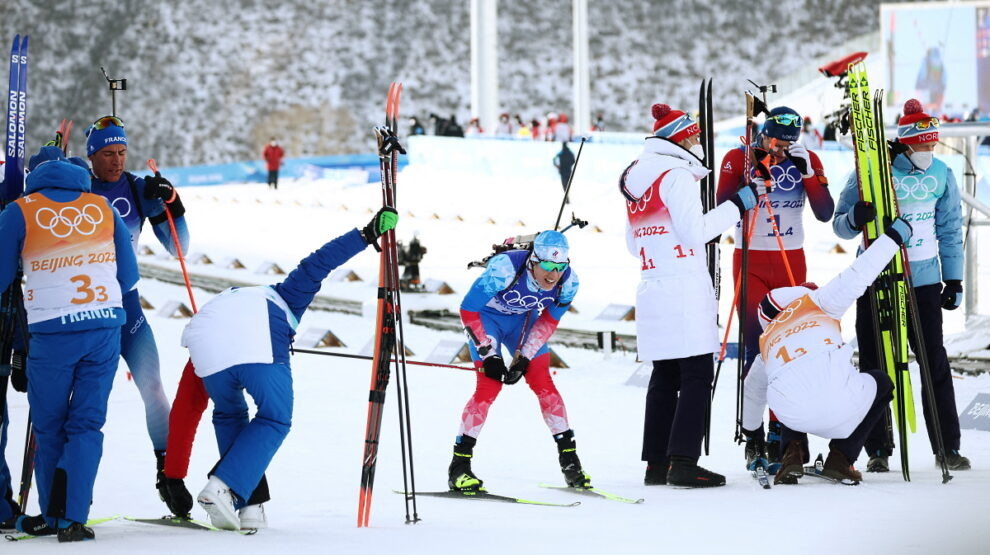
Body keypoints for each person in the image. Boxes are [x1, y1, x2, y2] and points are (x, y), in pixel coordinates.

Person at [185, 207, 398, 530]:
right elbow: (318, 263)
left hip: (205, 347)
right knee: (275, 418)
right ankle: (221, 486)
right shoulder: (286, 294)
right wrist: (366, 235)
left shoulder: (234, 297)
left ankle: (249, 507)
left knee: (230, 415)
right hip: (257, 347)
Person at [0, 146, 139, 541]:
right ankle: (73, 517)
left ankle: (52, 513)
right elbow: (128, 278)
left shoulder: (21, 210)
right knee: (88, 423)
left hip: (53, 331)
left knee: (49, 423)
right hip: (104, 327)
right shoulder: (103, 208)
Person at [621, 103, 762, 488]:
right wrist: (738, 205)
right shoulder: (677, 175)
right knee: (697, 372)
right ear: (680, 137)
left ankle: (656, 464)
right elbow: (696, 230)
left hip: (651, 281)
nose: (699, 140)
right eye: (694, 134)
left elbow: (633, 243)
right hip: (682, 282)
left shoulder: (635, 174)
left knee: (665, 373)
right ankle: (683, 461)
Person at [832, 98, 969, 472]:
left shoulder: (941, 173)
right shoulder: (871, 171)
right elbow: (839, 225)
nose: (929, 151)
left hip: (923, 280)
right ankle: (878, 448)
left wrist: (954, 277)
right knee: (876, 362)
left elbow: (950, 229)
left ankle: (947, 447)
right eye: (923, 145)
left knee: (932, 362)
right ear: (906, 143)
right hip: (876, 277)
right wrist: (856, 218)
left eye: (932, 145)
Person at [742, 218, 914, 484]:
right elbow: (861, 272)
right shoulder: (821, 302)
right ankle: (842, 458)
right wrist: (893, 237)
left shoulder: (767, 344)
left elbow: (751, 395)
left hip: (794, 415)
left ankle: (792, 451)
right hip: (843, 412)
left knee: (788, 379)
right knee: (882, 382)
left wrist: (752, 436)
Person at [716, 106, 834, 469]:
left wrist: (810, 174)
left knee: (788, 348)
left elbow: (825, 212)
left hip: (790, 261)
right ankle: (753, 436)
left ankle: (782, 433)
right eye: (774, 141)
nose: (780, 149)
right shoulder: (738, 157)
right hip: (750, 259)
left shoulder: (806, 158)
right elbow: (719, 207)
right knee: (755, 347)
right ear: (762, 133)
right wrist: (745, 190)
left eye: (787, 144)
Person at [85, 115, 188, 506]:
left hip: (127, 305)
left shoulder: (136, 189)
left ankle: (169, 476)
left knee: (154, 388)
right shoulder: (76, 185)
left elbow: (180, 250)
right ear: (91, 155)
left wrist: (173, 204)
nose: (116, 161)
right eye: (108, 153)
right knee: (89, 399)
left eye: (123, 152)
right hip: (88, 308)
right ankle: (74, 487)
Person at [449, 230, 590, 491]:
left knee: (543, 382)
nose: (552, 275)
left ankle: (570, 461)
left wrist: (524, 357)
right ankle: (459, 467)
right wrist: (489, 354)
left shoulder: (569, 283)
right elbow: (468, 310)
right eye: (547, 266)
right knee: (489, 387)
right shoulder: (504, 269)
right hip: (485, 319)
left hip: (521, 324)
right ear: (532, 262)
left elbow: (549, 320)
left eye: (559, 267)